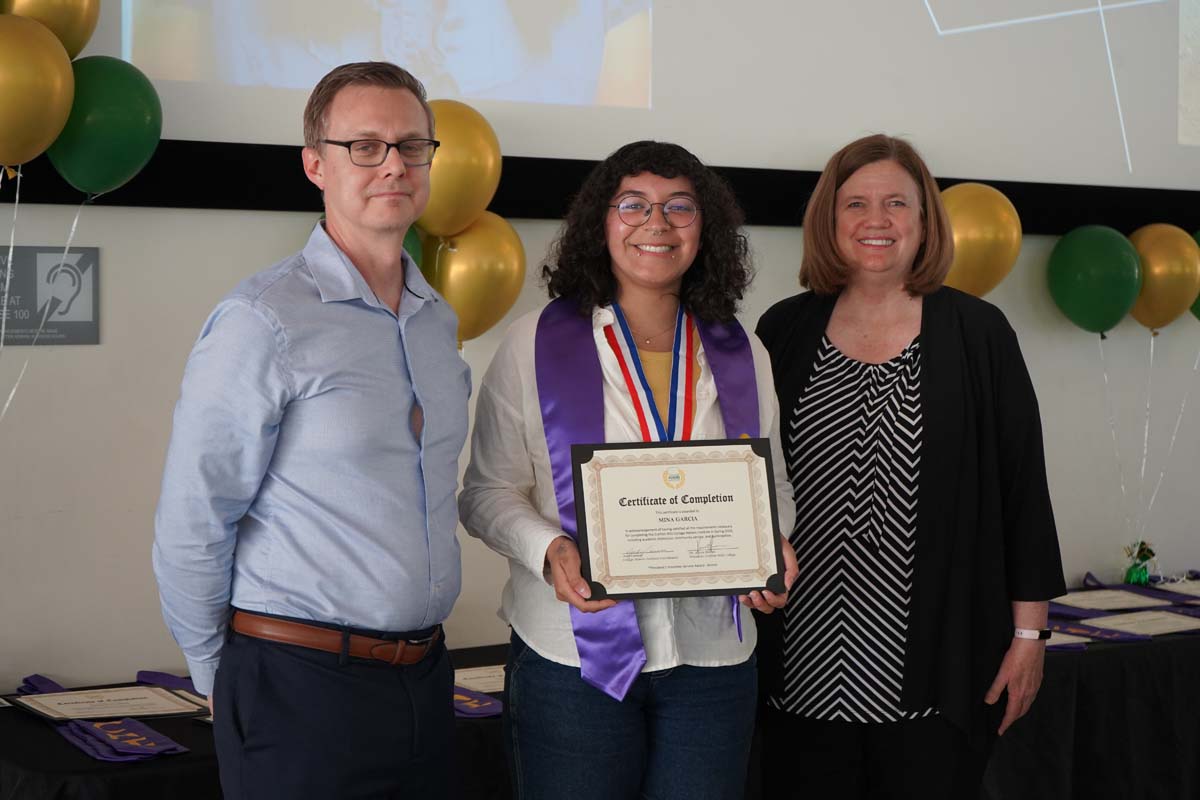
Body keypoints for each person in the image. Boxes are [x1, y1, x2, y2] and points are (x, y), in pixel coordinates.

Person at [152, 62, 470, 799]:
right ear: (315, 164)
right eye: (365, 146)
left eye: (411, 145)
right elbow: (193, 516)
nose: (393, 163)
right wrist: (220, 678)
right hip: (295, 690)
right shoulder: (263, 319)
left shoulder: (436, 321)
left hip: (424, 683)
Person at [458, 139, 799, 800]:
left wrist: (773, 545)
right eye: (633, 205)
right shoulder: (536, 342)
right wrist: (548, 549)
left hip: (713, 660)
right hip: (573, 661)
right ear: (601, 223)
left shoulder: (740, 349)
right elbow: (485, 493)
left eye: (680, 207)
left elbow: (772, 483)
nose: (657, 224)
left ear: (707, 229)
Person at [754, 134, 1066, 799]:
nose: (877, 220)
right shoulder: (782, 330)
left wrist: (1030, 633)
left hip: (937, 666)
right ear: (828, 222)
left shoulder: (978, 333)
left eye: (897, 202)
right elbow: (744, 476)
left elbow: (1022, 493)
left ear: (924, 221)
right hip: (801, 656)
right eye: (856, 204)